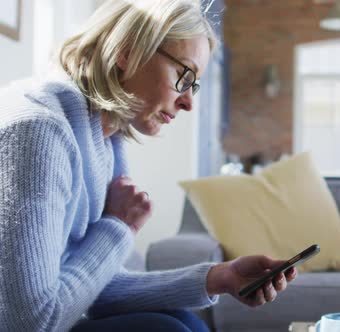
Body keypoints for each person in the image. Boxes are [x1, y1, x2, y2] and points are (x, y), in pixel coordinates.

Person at [0, 1, 297, 331]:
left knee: (184, 322)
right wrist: (118, 227)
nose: (188, 102)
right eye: (183, 76)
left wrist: (219, 278)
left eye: (193, 85)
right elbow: (28, 323)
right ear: (127, 52)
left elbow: (93, 290)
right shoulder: (38, 133)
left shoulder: (102, 138)